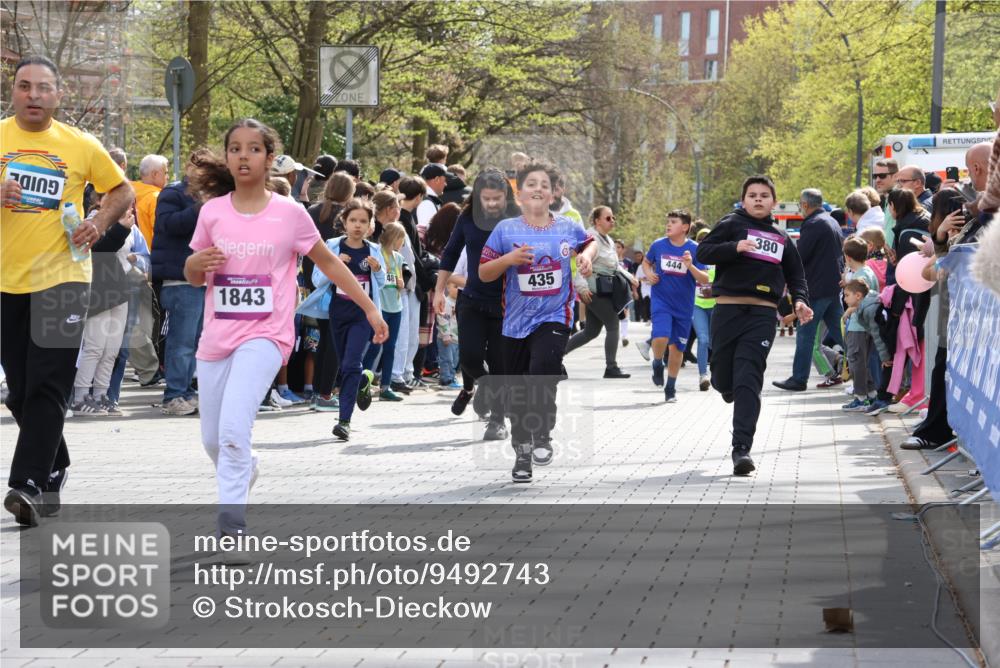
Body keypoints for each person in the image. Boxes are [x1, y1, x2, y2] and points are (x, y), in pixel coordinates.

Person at [183, 119, 386, 542]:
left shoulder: (290, 214)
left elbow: (329, 264)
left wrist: (370, 308)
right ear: (227, 156)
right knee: (214, 442)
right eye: (235, 148)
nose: (243, 156)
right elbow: (193, 274)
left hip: (266, 335)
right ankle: (247, 467)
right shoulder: (213, 212)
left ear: (269, 158)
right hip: (216, 338)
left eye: (253, 149)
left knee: (235, 429)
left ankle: (231, 527)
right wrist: (195, 266)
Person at [2, 56, 135, 526]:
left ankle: (28, 483)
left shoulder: (79, 144)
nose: (33, 95)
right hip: (6, 281)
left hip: (64, 279)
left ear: (58, 96)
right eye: (24, 86)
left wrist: (99, 221)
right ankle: (55, 462)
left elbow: (122, 191)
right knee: (18, 391)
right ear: (13, 92)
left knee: (49, 383)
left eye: (43, 88)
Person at [479, 162, 596, 483]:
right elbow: (484, 272)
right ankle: (522, 452)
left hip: (555, 315)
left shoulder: (567, 227)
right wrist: (509, 260)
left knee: (543, 369)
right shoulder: (505, 230)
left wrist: (586, 257)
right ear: (520, 192)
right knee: (519, 389)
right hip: (515, 322)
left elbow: (589, 242)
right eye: (531, 183)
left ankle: (543, 432)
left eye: (545, 184)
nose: (538, 189)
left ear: (553, 193)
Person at [696, 176, 812, 476]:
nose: (758, 200)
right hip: (727, 310)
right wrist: (735, 247)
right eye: (752, 195)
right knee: (723, 378)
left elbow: (796, 275)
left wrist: (799, 301)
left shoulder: (781, 237)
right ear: (743, 200)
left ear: (773, 201)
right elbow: (703, 252)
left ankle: (741, 449)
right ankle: (727, 386)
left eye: (764, 195)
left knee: (749, 378)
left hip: (762, 315)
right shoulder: (731, 224)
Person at [435, 168, 520, 439]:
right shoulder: (467, 217)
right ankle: (480, 388)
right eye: (487, 198)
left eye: (497, 198)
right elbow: (450, 254)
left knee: (499, 364)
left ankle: (497, 421)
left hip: (506, 304)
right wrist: (439, 290)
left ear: (506, 195)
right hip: (471, 299)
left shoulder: (517, 218)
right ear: (477, 196)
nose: (492, 204)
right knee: (469, 359)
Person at [304, 199, 386, 440]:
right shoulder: (331, 245)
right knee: (346, 365)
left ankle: (344, 421)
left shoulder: (373, 250)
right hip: (337, 312)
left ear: (370, 225)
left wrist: (378, 270)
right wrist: (336, 264)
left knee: (350, 364)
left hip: (362, 314)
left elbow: (380, 286)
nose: (358, 226)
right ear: (344, 222)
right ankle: (364, 379)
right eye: (353, 220)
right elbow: (317, 280)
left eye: (363, 221)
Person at [153, 150, 208, 416]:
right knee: (182, 341)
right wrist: (200, 208)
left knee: (196, 341)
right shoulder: (173, 193)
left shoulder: (211, 197)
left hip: (203, 280)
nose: (203, 174)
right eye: (199, 167)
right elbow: (168, 225)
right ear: (188, 166)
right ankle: (173, 395)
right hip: (180, 279)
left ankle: (186, 390)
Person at [774, 189, 845, 392]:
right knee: (842, 333)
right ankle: (867, 366)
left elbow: (799, 257)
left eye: (800, 205)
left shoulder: (813, 224)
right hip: (831, 287)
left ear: (805, 205)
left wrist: (788, 278)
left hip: (815, 289)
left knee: (805, 335)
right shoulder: (830, 221)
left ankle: (798, 379)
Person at [71, 204, 136, 416]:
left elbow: (130, 253)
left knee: (111, 351)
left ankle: (100, 395)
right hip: (97, 293)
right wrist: (121, 228)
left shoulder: (125, 220)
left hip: (119, 290)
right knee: (94, 347)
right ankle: (80, 398)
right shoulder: (92, 218)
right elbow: (98, 250)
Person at [642, 209, 709, 402]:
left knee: (677, 349)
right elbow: (647, 262)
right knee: (661, 334)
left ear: (685, 227)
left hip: (684, 306)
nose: (668, 225)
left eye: (673, 222)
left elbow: (704, 279)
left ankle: (670, 388)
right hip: (661, 300)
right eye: (668, 221)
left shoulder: (695, 249)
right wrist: (648, 273)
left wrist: (690, 266)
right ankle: (656, 363)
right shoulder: (658, 245)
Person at [565, 206, 636, 379]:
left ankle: (554, 356)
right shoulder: (589, 238)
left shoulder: (609, 240)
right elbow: (581, 263)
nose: (612, 221)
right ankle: (611, 367)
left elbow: (615, 265)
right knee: (613, 325)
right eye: (608, 218)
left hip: (604, 290)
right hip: (593, 291)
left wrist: (630, 277)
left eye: (613, 218)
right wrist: (581, 288)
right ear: (597, 221)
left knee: (591, 332)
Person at [360, 219, 406, 401]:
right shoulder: (376, 253)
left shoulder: (399, 258)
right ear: (394, 238)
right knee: (374, 345)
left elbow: (399, 281)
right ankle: (360, 382)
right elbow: (379, 279)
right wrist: (395, 281)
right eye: (401, 239)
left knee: (390, 347)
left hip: (396, 307)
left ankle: (386, 387)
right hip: (381, 307)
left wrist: (400, 283)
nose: (402, 243)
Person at [840, 280, 892, 411]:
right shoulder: (865, 304)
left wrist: (885, 357)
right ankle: (871, 395)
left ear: (858, 295)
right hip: (868, 334)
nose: (844, 298)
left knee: (856, 364)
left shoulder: (869, 309)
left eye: (846, 295)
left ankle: (861, 399)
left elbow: (877, 335)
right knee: (861, 364)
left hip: (864, 335)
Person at [692, 228, 716, 391]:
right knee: (703, 339)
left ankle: (720, 373)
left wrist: (714, 288)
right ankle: (703, 376)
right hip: (697, 305)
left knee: (716, 341)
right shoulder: (692, 258)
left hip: (716, 305)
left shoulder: (720, 257)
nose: (704, 242)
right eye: (701, 240)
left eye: (707, 239)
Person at [132, 154, 169, 249]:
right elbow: (160, 234)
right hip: (149, 256)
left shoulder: (128, 194)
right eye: (165, 173)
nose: (167, 177)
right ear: (154, 174)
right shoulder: (155, 198)